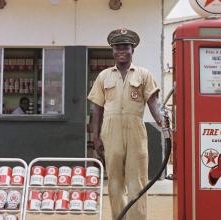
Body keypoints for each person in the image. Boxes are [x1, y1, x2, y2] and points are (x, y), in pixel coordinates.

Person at [88, 28, 163, 220]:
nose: (121, 51)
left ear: (132, 50)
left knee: (137, 181)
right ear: (112, 50)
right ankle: (119, 217)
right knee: (114, 182)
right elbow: (96, 109)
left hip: (136, 130)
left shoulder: (144, 74)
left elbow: (153, 103)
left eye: (126, 47)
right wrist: (95, 137)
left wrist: (163, 123)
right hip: (110, 132)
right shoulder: (104, 76)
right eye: (117, 47)